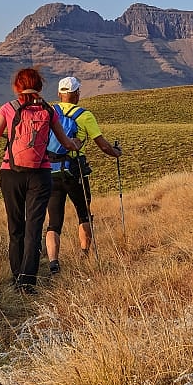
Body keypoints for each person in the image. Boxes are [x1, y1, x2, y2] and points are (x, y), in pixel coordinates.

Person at [0, 68, 80, 292]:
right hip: (40, 173)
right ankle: (28, 281)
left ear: (17, 86)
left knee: (15, 225)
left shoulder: (8, 108)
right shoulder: (48, 110)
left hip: (11, 172)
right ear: (40, 86)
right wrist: (76, 144)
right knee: (34, 228)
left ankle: (16, 276)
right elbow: (65, 142)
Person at [45, 75, 122, 273]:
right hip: (75, 172)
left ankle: (53, 261)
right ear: (77, 93)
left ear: (59, 94)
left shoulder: (49, 112)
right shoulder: (84, 115)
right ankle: (84, 253)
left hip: (50, 171)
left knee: (54, 220)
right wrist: (116, 153)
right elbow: (102, 145)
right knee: (83, 213)